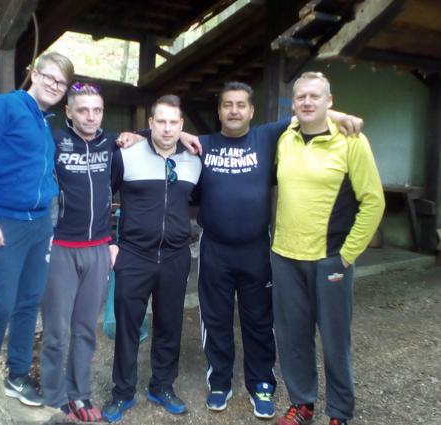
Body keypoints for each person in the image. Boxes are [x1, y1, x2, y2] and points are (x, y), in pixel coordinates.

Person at [195, 81, 362, 419]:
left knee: (259, 319)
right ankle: (220, 382)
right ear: (219, 111)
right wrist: (135, 136)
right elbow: (163, 135)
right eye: (227, 104)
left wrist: (339, 114)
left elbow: (306, 112)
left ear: (251, 110)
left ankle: (261, 384)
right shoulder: (202, 144)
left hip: (256, 248)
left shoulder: (267, 136)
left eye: (241, 104)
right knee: (216, 319)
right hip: (214, 249)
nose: (234, 110)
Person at [0, 51, 74, 406]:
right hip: (4, 223)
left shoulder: (44, 122)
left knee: (28, 302)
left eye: (61, 83)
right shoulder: (4, 107)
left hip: (38, 224)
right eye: (49, 77)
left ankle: (17, 375)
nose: (54, 85)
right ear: (33, 74)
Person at [271, 72, 385, 425]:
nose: (307, 102)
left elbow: (373, 201)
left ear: (329, 101)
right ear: (293, 103)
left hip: (330, 259)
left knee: (335, 340)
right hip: (285, 256)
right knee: (293, 337)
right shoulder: (285, 138)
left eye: (315, 96)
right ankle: (302, 404)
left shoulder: (352, 141)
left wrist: (349, 253)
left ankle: (339, 412)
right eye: (301, 97)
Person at [101, 95, 202, 423]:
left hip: (175, 256)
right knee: (127, 326)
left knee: (169, 325)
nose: (167, 128)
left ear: (181, 125)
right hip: (133, 254)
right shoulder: (127, 153)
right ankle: (122, 392)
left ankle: (162, 385)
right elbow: (103, 195)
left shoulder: (194, 160)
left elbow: (203, 198)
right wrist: (109, 242)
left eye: (174, 122)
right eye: (161, 121)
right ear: (150, 123)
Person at [40, 82, 116, 422]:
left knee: (86, 328)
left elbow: (151, 137)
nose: (90, 116)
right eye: (83, 110)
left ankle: (79, 394)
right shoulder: (54, 141)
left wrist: (113, 242)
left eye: (96, 110)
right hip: (61, 248)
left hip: (97, 248)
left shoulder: (110, 144)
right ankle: (53, 398)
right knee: (56, 331)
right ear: (68, 111)